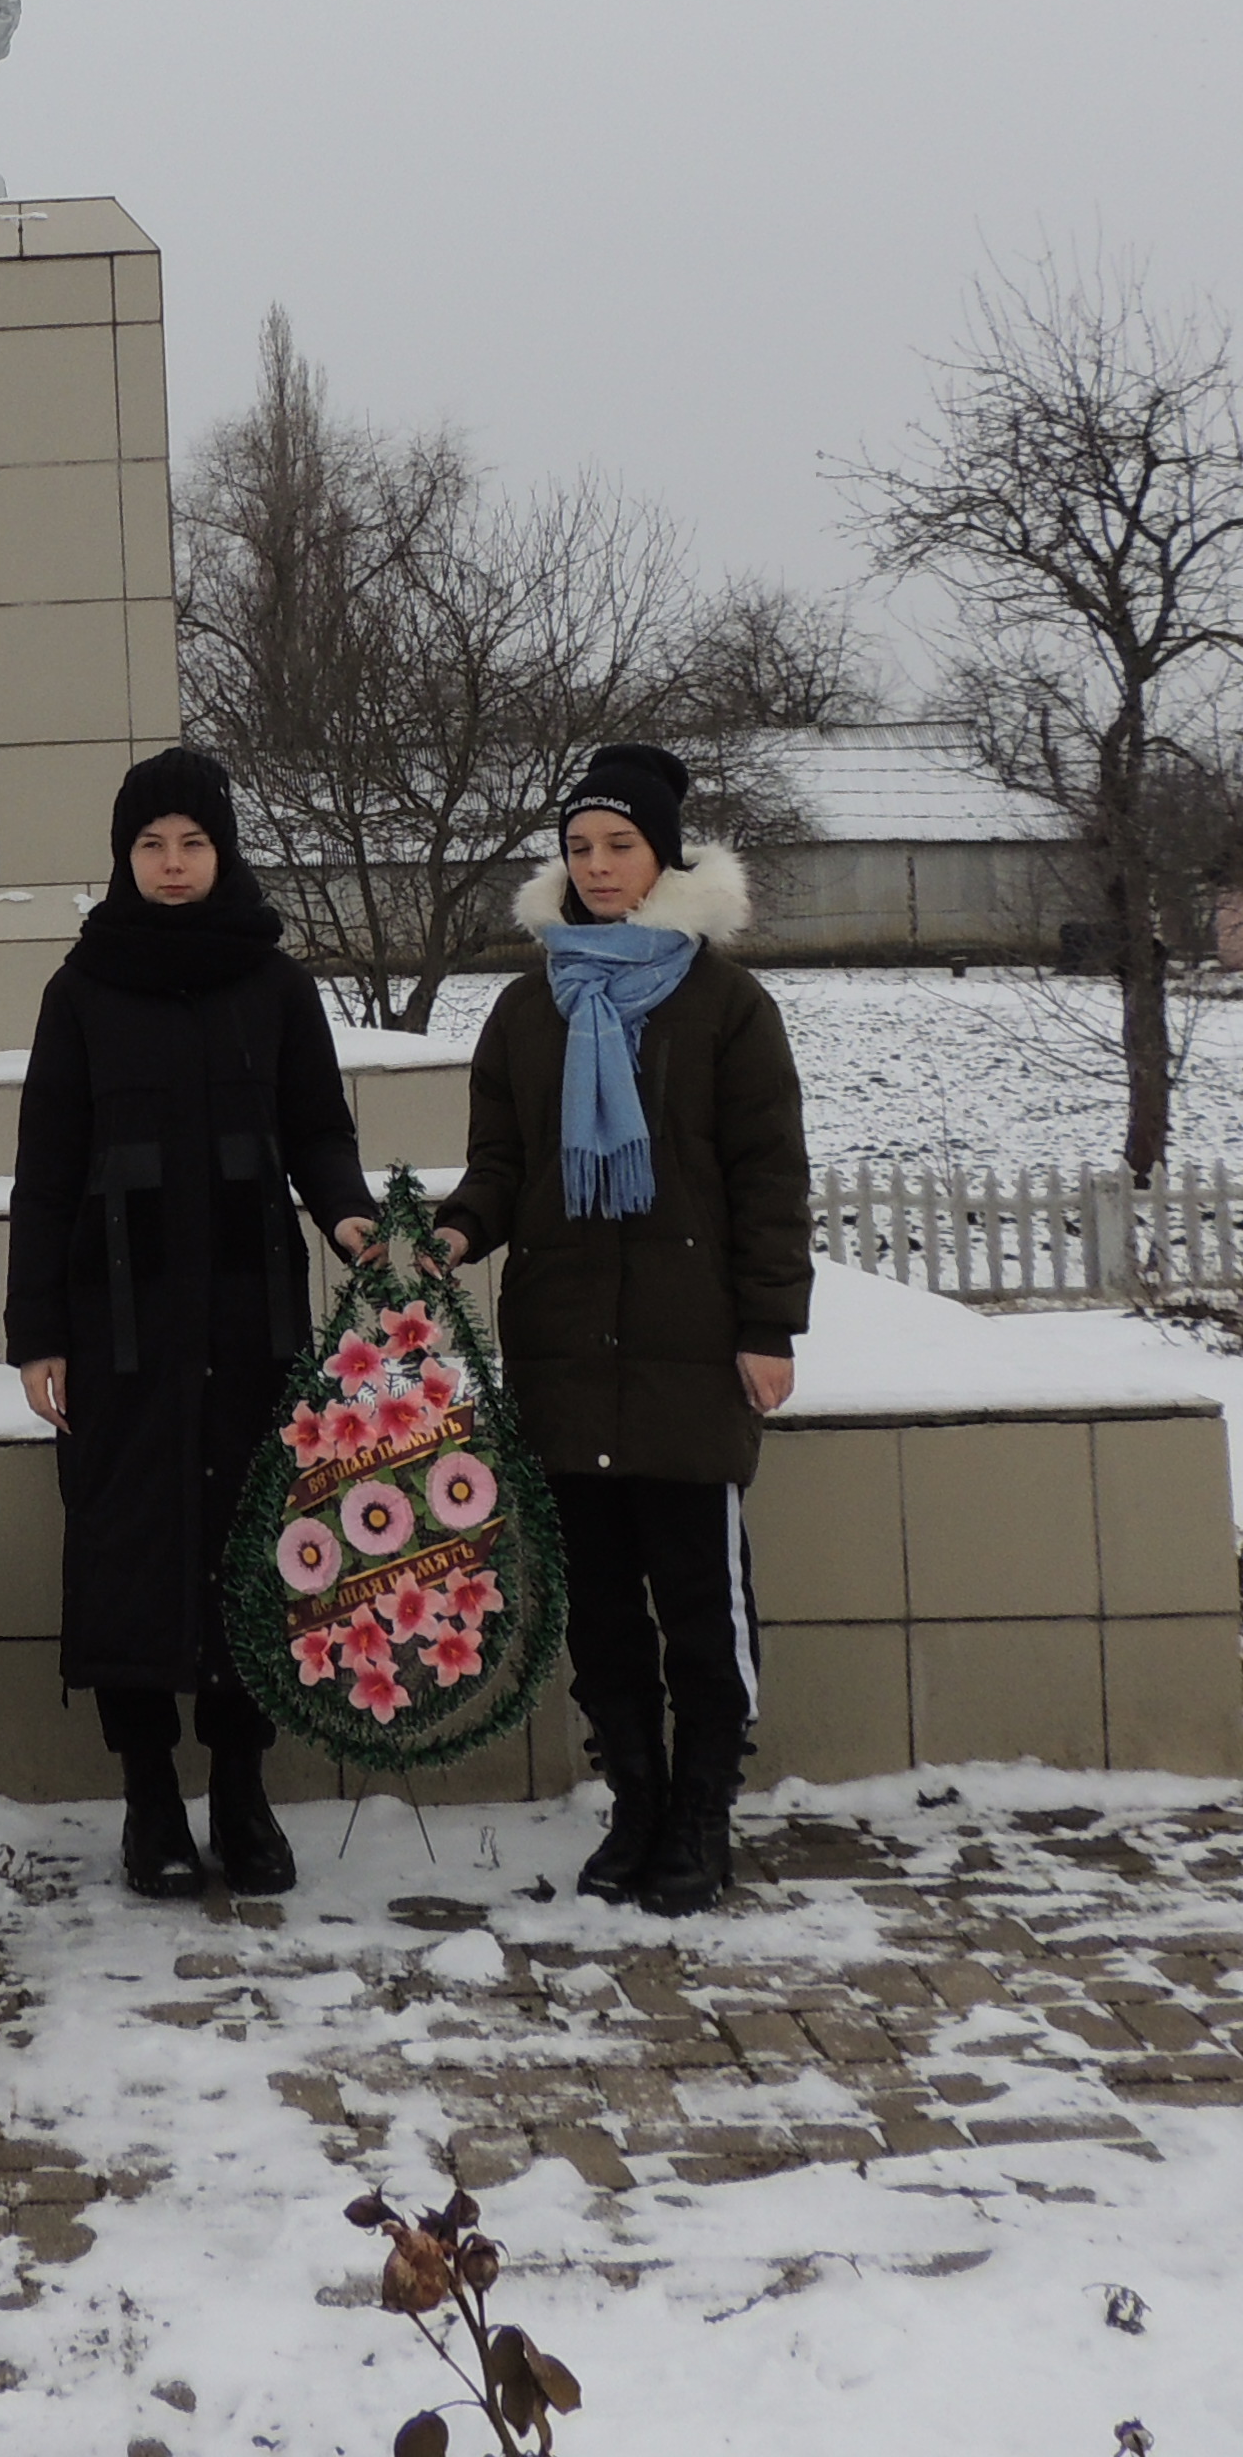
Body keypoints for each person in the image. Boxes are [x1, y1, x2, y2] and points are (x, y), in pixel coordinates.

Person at [429, 742, 810, 1918]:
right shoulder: (529, 1006)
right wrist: (452, 1234)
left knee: (699, 1602)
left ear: (665, 856)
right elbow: (504, 1165)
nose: (598, 868)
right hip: (561, 1345)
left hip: (691, 1351)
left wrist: (770, 1327)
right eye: (581, 848)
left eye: (621, 847)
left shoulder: (724, 1005)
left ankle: (701, 1813)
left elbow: (769, 1179)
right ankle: (634, 1806)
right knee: (597, 1607)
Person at [5, 748, 381, 1898]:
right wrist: (36, 1333)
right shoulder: (80, 992)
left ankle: (243, 1792)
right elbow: (46, 1172)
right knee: (126, 1553)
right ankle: (150, 1801)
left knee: (250, 1551)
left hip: (249, 1321)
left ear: (225, 855)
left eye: (194, 844)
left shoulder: (275, 986)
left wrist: (352, 1221)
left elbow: (318, 1128)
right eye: (152, 845)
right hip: (118, 1332)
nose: (174, 866)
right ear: (124, 859)